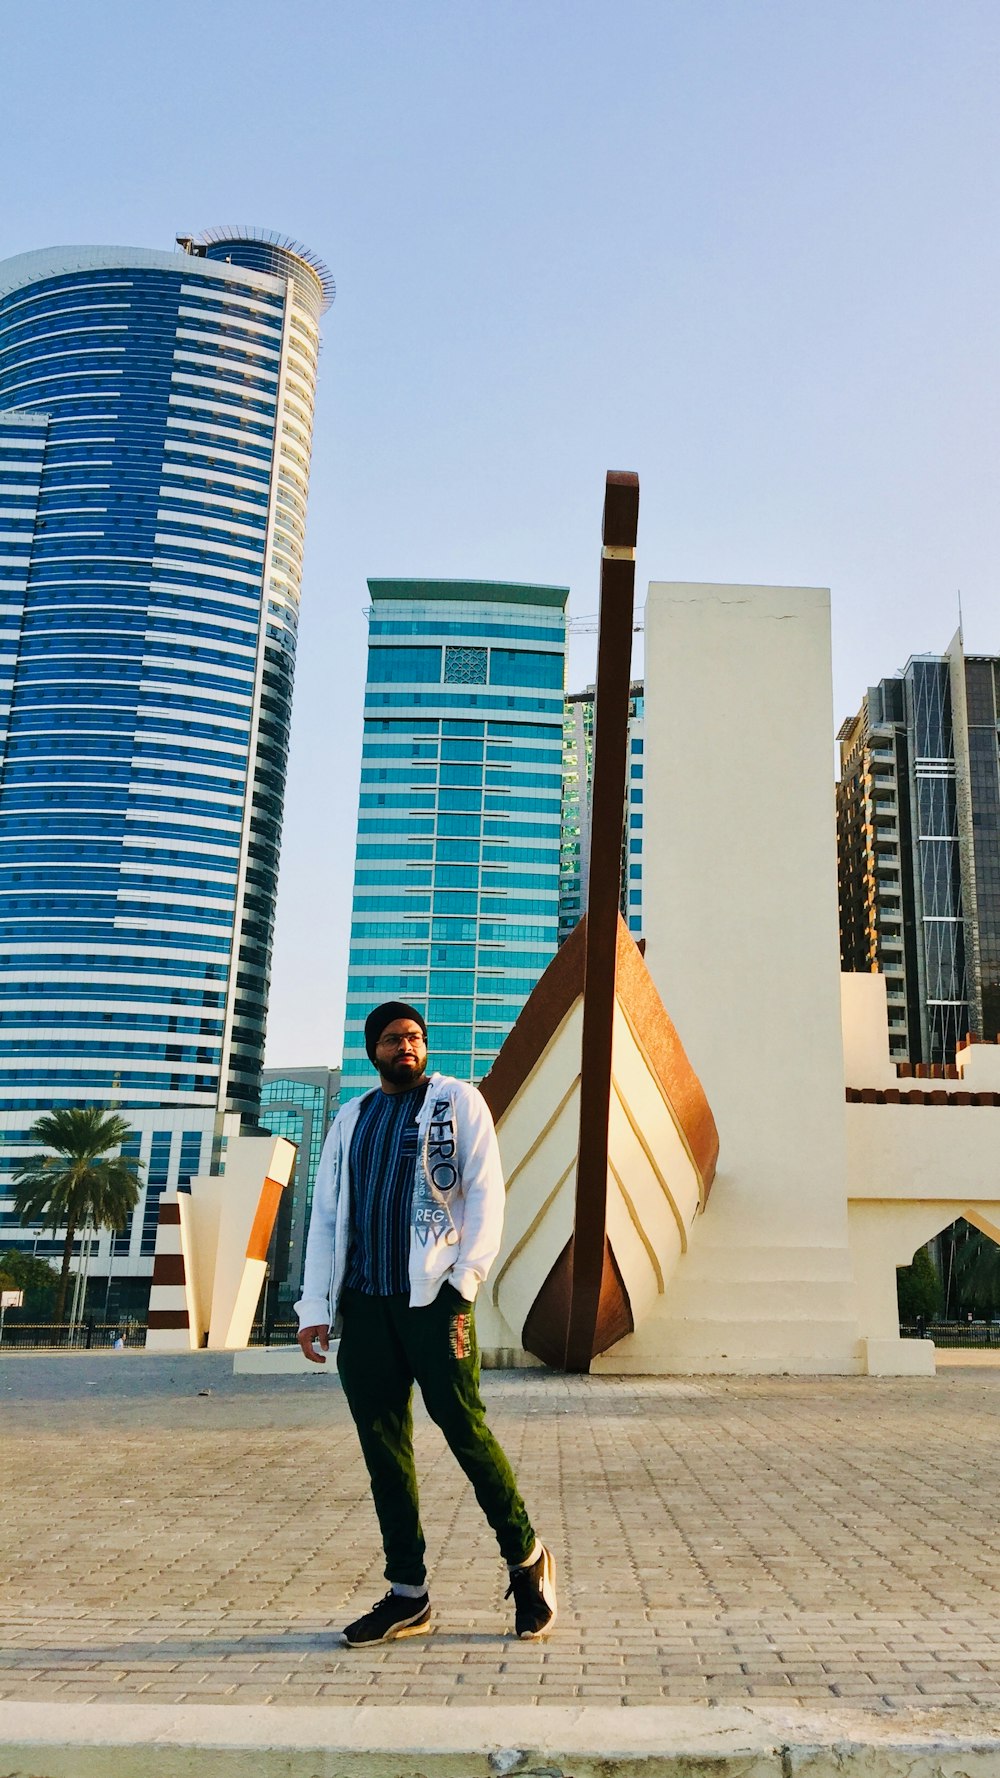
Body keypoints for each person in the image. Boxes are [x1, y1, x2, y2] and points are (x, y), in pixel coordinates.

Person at [296, 1000, 556, 1647]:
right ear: (372, 1051)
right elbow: (326, 1218)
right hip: (364, 1307)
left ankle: (526, 1561)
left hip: (434, 1303)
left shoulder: (456, 1103)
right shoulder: (350, 1119)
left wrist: (465, 1279)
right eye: (392, 1039)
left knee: (464, 1429)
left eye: (413, 1037)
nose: (405, 1046)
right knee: (384, 1449)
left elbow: (487, 1192)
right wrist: (313, 1308)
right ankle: (408, 1594)